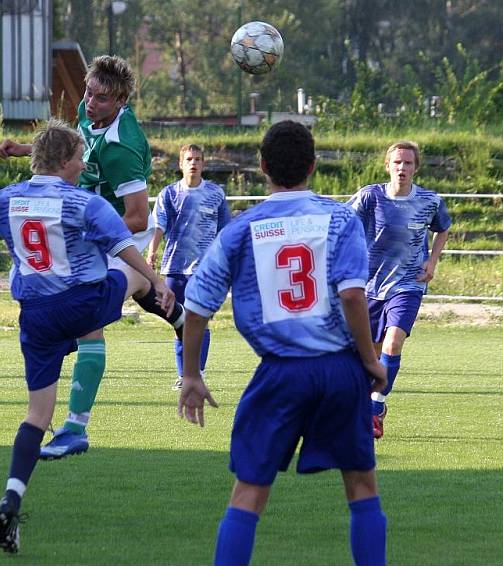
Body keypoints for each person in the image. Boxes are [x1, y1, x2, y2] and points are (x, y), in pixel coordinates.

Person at [177, 121, 388, 565]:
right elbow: (352, 294)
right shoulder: (340, 218)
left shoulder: (242, 228)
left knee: (249, 492)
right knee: (362, 486)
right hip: (339, 368)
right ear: (313, 166)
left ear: (261, 166)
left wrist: (192, 373)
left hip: (279, 372)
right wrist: (370, 360)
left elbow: (196, 307)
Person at [0, 120, 175, 553]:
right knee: (130, 276)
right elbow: (126, 246)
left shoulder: (5, 200)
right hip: (82, 301)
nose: (84, 164)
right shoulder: (84, 203)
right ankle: (178, 321)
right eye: (80, 157)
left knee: (37, 414)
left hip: (36, 316)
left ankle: (12, 495)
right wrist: (158, 280)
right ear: (67, 161)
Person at [0, 55, 185, 459]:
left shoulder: (122, 147)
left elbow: (136, 215)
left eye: (99, 97)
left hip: (118, 230)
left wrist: (86, 228)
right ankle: (179, 316)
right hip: (89, 227)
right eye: (87, 92)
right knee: (95, 308)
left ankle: (75, 428)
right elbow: (70, 147)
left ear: (119, 100)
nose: (88, 101)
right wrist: (24, 151)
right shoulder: (90, 115)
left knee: (91, 322)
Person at [348, 141, 451, 439]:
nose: (402, 168)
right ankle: (365, 403)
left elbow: (442, 227)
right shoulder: (370, 197)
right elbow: (344, 224)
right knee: (372, 355)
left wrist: (432, 261)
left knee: (393, 344)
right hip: (369, 286)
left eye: (407, 163)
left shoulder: (430, 201)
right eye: (397, 163)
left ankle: (375, 407)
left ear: (416, 167)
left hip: (408, 285)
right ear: (387, 165)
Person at [147, 144, 231, 390]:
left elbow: (225, 231)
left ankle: (196, 373)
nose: (193, 163)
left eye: (198, 159)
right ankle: (183, 374)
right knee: (178, 323)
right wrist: (152, 251)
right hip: (174, 269)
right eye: (189, 159)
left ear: (203, 164)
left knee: (198, 321)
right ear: (181, 164)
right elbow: (158, 225)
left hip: (205, 271)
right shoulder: (169, 194)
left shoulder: (216, 194)